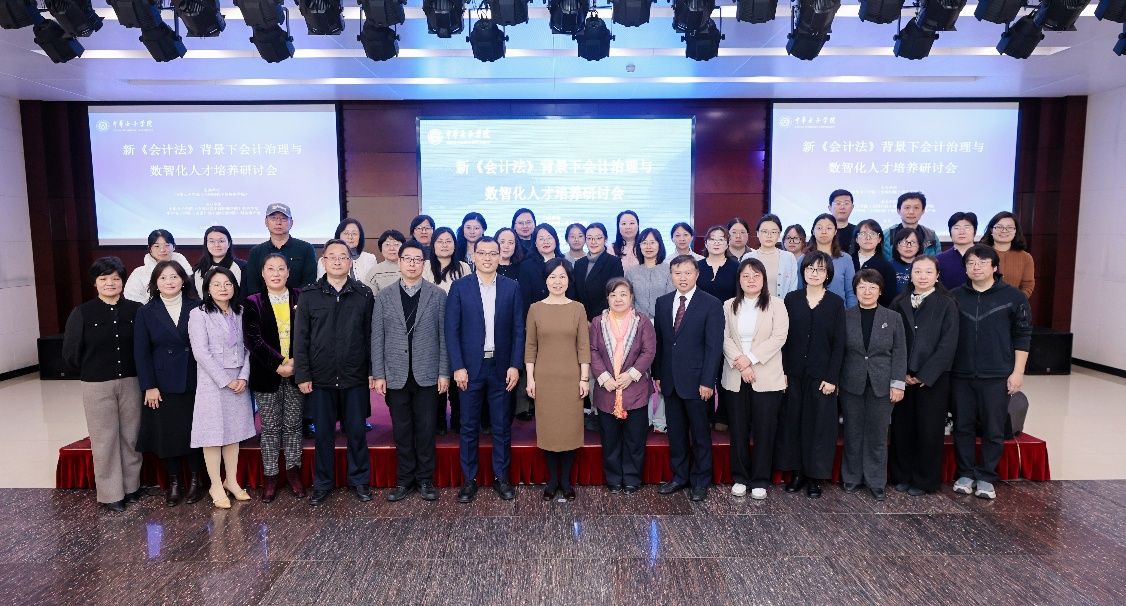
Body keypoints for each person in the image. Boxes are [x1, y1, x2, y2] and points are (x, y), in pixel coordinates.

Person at [293, 239, 376, 506]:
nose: (338, 261)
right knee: (323, 435)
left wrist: (372, 371)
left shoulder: (363, 294)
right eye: (332, 257)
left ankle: (360, 481)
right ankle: (323, 483)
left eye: (343, 257)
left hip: (355, 377)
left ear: (351, 262)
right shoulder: (309, 295)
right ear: (324, 261)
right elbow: (301, 339)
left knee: (357, 433)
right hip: (321, 378)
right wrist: (303, 375)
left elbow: (370, 336)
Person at [446, 236, 525, 503]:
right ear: (474, 257)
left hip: (501, 368)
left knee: (501, 426)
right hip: (470, 368)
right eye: (483, 253)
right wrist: (457, 366)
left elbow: (518, 330)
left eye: (493, 253)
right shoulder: (460, 287)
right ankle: (469, 480)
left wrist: (515, 365)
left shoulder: (511, 287)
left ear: (500, 256)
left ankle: (501, 478)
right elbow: (451, 330)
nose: (488, 258)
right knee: (468, 426)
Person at [62, 257, 145, 512]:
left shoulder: (136, 310)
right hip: (97, 384)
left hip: (132, 382)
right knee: (104, 439)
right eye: (103, 279)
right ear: (95, 283)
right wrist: (92, 370)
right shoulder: (82, 312)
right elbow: (71, 353)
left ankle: (132, 487)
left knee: (131, 437)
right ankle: (111, 495)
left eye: (115, 278)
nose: (110, 283)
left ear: (123, 281)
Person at [950, 245, 1032, 500]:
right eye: (971, 263)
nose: (976, 267)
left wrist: (1018, 372)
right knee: (962, 426)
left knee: (993, 428)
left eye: (982, 262)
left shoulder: (1014, 297)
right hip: (960, 374)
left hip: (997, 374)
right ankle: (965, 473)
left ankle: (986, 476)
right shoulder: (954, 297)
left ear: (995, 267)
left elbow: (1023, 335)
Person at [371, 239, 448, 503]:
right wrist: (379, 374)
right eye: (408, 259)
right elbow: (377, 337)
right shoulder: (384, 296)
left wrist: (444, 373)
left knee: (426, 430)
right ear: (400, 262)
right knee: (402, 430)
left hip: (428, 373)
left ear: (424, 264)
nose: (412, 264)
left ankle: (425, 480)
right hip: (396, 373)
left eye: (417, 260)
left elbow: (444, 337)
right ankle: (404, 480)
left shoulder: (437, 295)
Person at [652, 255, 724, 502]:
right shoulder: (662, 303)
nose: (682, 277)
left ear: (697, 274)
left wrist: (708, 381)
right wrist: (658, 374)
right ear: (671, 275)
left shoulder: (711, 304)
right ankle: (680, 477)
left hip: (697, 381)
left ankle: (701, 480)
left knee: (700, 434)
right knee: (677, 433)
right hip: (670, 380)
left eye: (687, 272)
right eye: (677, 273)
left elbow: (714, 347)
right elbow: (661, 343)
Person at [134, 260, 205, 506]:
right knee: (168, 434)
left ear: (183, 280)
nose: (169, 282)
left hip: (195, 378)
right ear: (155, 282)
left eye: (174, 276)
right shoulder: (146, 311)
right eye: (163, 278)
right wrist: (149, 386)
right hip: (162, 383)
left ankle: (196, 480)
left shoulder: (198, 306)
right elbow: (141, 353)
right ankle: (174, 482)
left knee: (194, 431)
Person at [778, 251, 846, 499]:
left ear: (828, 274)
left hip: (822, 377)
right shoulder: (791, 299)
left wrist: (832, 378)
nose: (814, 273)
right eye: (810, 268)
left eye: (820, 269)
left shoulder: (836, 303)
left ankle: (815, 478)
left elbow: (839, 344)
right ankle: (797, 473)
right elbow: (783, 339)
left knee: (819, 427)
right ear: (803, 271)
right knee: (793, 423)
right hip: (794, 374)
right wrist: (783, 372)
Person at [889, 255, 958, 496]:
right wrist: (902, 372)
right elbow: (891, 341)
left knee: (929, 430)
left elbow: (948, 344)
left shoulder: (947, 303)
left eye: (929, 272)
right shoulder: (899, 302)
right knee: (902, 429)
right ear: (911, 275)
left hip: (933, 379)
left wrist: (924, 375)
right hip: (903, 377)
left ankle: (924, 480)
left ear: (937, 276)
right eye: (917, 271)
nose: (922, 276)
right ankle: (902, 475)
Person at [720, 258, 788, 501]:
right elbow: (724, 337)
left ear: (764, 279)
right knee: (738, 429)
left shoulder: (777, 304)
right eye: (746, 275)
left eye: (756, 275)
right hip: (735, 375)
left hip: (766, 375)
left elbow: (779, 337)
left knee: (764, 430)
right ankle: (740, 477)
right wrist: (741, 363)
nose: (751, 280)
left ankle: (760, 479)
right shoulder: (729, 305)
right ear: (739, 279)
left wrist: (749, 360)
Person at [188, 267, 256, 509]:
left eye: (227, 283)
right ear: (207, 288)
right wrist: (226, 380)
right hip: (213, 382)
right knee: (213, 434)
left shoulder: (241, 311)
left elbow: (249, 347)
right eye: (216, 284)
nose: (223, 288)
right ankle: (215, 485)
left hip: (239, 380)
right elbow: (201, 353)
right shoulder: (199, 314)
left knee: (233, 434)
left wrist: (244, 377)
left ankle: (232, 481)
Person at [526, 259, 591, 501]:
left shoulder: (578, 308)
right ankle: (552, 480)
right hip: (544, 378)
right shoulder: (535, 308)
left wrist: (584, 378)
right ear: (545, 280)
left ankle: (566, 481)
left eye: (562, 276)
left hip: (571, 378)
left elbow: (583, 346)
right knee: (549, 430)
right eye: (552, 276)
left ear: (569, 280)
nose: (557, 281)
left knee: (569, 430)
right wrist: (530, 379)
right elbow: (530, 346)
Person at [840, 269, 907, 501]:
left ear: (880, 291)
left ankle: (876, 481)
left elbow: (900, 353)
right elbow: (839, 352)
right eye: (862, 287)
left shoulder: (893, 318)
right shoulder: (845, 316)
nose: (867, 291)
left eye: (872, 287)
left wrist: (898, 384)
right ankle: (851, 477)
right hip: (851, 384)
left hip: (882, 384)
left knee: (877, 435)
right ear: (855, 290)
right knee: (852, 432)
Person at [243, 253, 306, 502]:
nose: (276, 273)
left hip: (297, 372)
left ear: (288, 272)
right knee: (269, 428)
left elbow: (309, 334)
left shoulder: (301, 297)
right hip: (266, 373)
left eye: (281, 268)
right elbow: (253, 339)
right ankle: (270, 476)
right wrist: (279, 363)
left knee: (293, 425)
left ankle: (293, 472)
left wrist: (296, 363)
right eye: (271, 269)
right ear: (263, 273)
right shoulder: (253, 302)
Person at [590, 277, 656, 494]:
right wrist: (604, 377)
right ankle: (613, 479)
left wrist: (631, 375)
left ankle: (631, 479)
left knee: (634, 439)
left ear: (631, 297)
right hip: (607, 389)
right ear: (607, 298)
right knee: (610, 439)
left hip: (634, 389)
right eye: (613, 295)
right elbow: (592, 351)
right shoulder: (598, 322)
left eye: (623, 294)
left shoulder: (642, 321)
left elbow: (649, 351)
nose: (618, 299)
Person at [626, 228, 673, 434]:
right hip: (638, 327)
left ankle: (661, 419)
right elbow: (629, 301)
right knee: (641, 372)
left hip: (664, 326)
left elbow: (671, 299)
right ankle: (643, 417)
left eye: (653, 242)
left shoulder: (668, 269)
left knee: (662, 372)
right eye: (644, 242)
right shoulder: (631, 272)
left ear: (660, 245)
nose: (648, 246)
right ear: (639, 246)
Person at [243, 203, 318, 297]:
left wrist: (295, 301)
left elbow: (309, 282)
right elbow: (252, 285)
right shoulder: (256, 252)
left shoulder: (306, 248)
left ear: (291, 222)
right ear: (266, 222)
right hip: (263, 304)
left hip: (299, 303)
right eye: (273, 218)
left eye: (283, 218)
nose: (278, 222)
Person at [802, 214, 858, 308]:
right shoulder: (803, 259)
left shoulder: (846, 259)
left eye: (829, 228)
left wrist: (851, 314)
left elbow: (850, 292)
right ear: (813, 231)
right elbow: (799, 289)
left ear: (835, 231)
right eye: (819, 228)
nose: (824, 232)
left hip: (839, 312)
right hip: (810, 311)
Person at [574, 222, 626, 321]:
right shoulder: (579, 263)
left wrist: (594, 320)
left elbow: (614, 294)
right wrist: (582, 318)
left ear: (605, 239)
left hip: (604, 319)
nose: (593, 242)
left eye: (598, 238)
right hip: (580, 319)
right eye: (589, 238)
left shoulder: (614, 262)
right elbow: (575, 294)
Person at [124, 229, 193, 303]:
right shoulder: (139, 273)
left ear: (173, 247)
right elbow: (131, 298)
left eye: (167, 245)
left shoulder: (185, 269)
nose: (162, 250)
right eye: (157, 246)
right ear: (150, 249)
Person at [517, 223, 570, 318]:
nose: (546, 242)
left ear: (556, 240)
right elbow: (525, 299)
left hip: (564, 315)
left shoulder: (565, 263)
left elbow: (571, 294)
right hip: (537, 317)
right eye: (541, 239)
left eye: (549, 238)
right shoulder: (526, 266)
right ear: (535, 243)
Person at [982, 211, 1035, 299]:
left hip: (1014, 304)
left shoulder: (1026, 257)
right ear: (991, 230)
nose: (1004, 231)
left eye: (1009, 227)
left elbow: (1027, 285)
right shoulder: (979, 253)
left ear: (1015, 231)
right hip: (982, 304)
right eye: (999, 227)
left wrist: (1015, 302)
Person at [744, 213, 798, 297]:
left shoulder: (789, 258)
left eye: (773, 232)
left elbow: (793, 288)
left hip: (783, 304)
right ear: (757, 233)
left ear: (779, 234)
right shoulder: (748, 257)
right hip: (755, 304)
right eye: (764, 231)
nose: (769, 236)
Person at [317, 219, 379, 291]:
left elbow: (374, 288)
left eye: (354, 234)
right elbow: (321, 287)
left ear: (360, 237)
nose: (350, 237)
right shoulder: (325, 260)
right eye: (346, 233)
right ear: (339, 236)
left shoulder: (370, 258)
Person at [851, 219, 897, 307]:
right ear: (856, 239)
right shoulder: (847, 261)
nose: (868, 238)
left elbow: (889, 298)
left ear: (879, 239)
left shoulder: (887, 267)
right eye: (863, 234)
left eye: (872, 234)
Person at [191, 226, 246, 296]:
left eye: (221, 241)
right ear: (206, 244)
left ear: (229, 243)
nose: (216, 245)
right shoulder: (197, 269)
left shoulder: (243, 267)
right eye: (211, 241)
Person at [882, 192, 940, 258]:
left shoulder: (931, 235)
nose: (911, 212)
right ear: (898, 210)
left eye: (916, 208)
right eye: (907, 207)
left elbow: (938, 260)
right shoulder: (886, 235)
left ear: (923, 211)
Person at [698, 225, 739, 304]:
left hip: (728, 310)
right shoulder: (696, 266)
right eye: (712, 239)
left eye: (721, 239)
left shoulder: (736, 267)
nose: (716, 243)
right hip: (701, 310)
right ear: (706, 244)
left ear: (727, 244)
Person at [937, 212, 977, 291]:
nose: (962, 232)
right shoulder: (939, 259)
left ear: (975, 231)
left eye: (967, 227)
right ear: (950, 232)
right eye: (956, 228)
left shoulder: (986, 255)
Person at [423, 226, 470, 293]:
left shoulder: (464, 267)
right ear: (433, 245)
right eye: (440, 241)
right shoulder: (425, 266)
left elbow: (467, 294)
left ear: (454, 245)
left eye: (448, 241)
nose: (444, 245)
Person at [889, 227, 922, 297]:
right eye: (904, 242)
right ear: (896, 246)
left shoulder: (925, 266)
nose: (908, 246)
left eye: (913, 242)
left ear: (919, 246)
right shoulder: (888, 266)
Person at [830, 189, 857, 254]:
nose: (842, 207)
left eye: (846, 203)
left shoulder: (858, 231)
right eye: (838, 203)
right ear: (830, 207)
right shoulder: (823, 231)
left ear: (852, 207)